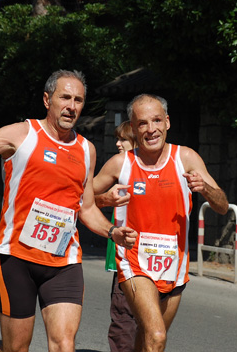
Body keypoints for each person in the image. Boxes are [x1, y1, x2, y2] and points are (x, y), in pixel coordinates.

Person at [0, 69, 138, 352]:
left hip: (64, 261)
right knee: (17, 348)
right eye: (65, 97)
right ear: (48, 100)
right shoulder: (20, 134)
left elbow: (86, 208)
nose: (72, 106)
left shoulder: (86, 150)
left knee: (63, 344)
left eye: (79, 100)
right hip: (16, 257)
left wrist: (111, 231)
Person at [93, 94, 229, 352]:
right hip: (135, 263)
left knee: (147, 341)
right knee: (156, 336)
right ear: (133, 128)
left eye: (157, 121)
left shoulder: (186, 158)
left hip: (173, 267)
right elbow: (82, 200)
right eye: (143, 123)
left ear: (167, 122)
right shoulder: (121, 163)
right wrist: (104, 200)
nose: (151, 129)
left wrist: (206, 191)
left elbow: (222, 205)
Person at [94, 121, 138, 352]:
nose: (118, 143)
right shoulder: (118, 165)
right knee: (123, 316)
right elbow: (86, 194)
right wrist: (106, 200)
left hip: (152, 256)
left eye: (123, 139)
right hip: (125, 253)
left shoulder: (165, 167)